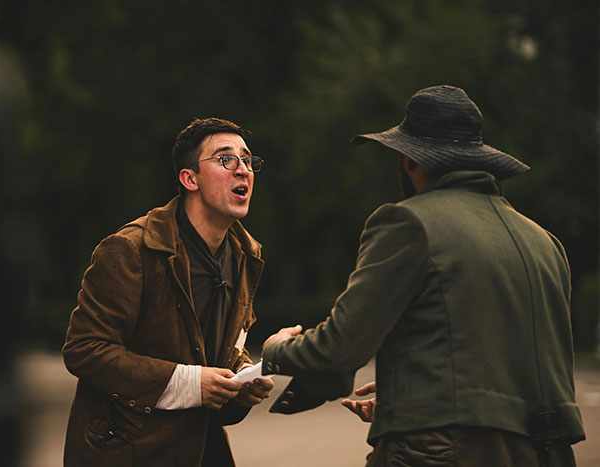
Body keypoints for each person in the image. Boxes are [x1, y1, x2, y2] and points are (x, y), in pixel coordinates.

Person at [261, 85, 585, 466]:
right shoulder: (545, 242)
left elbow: (339, 349)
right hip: (548, 453)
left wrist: (274, 352)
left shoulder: (408, 222)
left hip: (444, 450)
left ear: (409, 159)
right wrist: (414, 393)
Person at [62, 117, 273, 467]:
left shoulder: (246, 255)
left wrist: (242, 385)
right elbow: (84, 350)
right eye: (226, 159)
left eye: (248, 161)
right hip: (127, 452)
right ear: (189, 178)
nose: (243, 170)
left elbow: (215, 356)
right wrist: (190, 383)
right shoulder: (130, 248)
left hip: (204, 450)